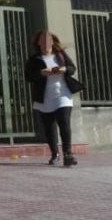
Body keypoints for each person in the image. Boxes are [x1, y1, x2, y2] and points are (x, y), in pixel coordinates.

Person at [24, 30, 79, 167]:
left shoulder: (60, 55)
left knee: (64, 122)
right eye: (42, 40)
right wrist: (41, 73)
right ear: (38, 43)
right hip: (44, 96)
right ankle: (55, 154)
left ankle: (68, 154)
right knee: (49, 127)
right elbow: (28, 76)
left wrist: (64, 69)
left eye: (48, 40)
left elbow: (72, 68)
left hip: (63, 94)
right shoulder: (33, 60)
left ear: (52, 41)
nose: (46, 43)